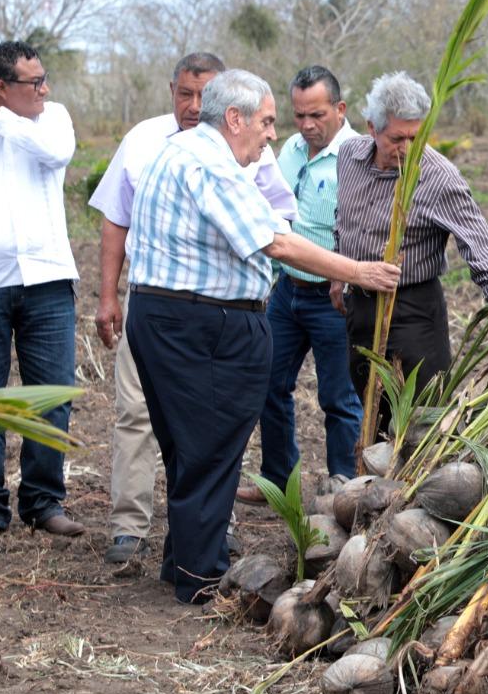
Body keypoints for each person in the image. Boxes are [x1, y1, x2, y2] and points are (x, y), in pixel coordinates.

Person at [126, 69, 400, 604]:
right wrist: (357, 271)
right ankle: (202, 578)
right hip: (201, 323)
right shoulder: (211, 162)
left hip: (167, 316)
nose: (274, 134)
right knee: (209, 447)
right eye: (268, 122)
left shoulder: (178, 149)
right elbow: (274, 241)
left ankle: (182, 561)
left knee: (188, 446)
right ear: (235, 118)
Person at [91, 53, 296, 564]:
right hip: (163, 302)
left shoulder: (250, 152)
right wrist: (109, 294)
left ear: (224, 104)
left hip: (210, 304)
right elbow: (116, 218)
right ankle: (132, 528)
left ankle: (200, 537)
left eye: (204, 94)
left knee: (204, 433)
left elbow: (280, 218)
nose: (194, 104)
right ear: (172, 90)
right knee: (145, 416)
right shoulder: (148, 141)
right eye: (186, 93)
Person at [0, 40, 83, 543]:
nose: (45, 88)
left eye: (45, 78)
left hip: (46, 280)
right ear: (1, 88)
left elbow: (57, 154)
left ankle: (44, 502)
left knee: (52, 397)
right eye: (34, 82)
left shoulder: (53, 119)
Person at [333, 71, 488, 426]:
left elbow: (480, 243)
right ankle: (371, 480)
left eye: (415, 137)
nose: (406, 148)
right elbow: (343, 219)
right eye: (396, 138)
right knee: (371, 411)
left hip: (412, 314)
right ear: (372, 129)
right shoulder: (349, 156)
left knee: (420, 420)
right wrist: (339, 275)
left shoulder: (438, 176)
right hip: (360, 309)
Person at [236, 66, 361, 505]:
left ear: (340, 109)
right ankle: (279, 486)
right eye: (299, 115)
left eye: (317, 115)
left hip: (333, 297)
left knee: (338, 396)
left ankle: (342, 492)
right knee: (268, 383)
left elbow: (366, 222)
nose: (307, 125)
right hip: (287, 290)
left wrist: (345, 274)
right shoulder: (287, 148)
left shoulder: (358, 155)